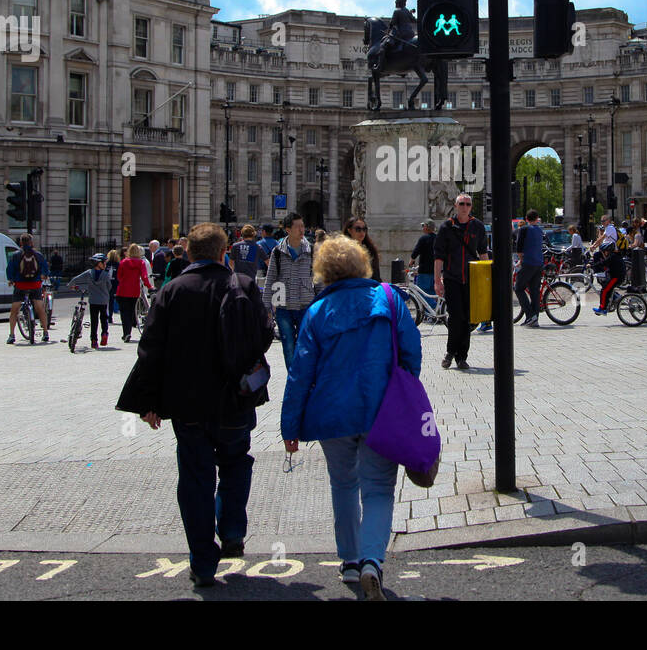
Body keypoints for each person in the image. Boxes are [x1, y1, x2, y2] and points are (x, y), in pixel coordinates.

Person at [117, 222, 274, 587]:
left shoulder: (171, 290)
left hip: (187, 404)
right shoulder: (245, 286)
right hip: (236, 397)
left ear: (187, 253)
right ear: (225, 253)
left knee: (195, 478)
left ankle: (203, 563)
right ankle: (232, 528)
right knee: (237, 461)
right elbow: (265, 335)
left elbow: (150, 350)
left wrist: (150, 400)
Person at [281, 235, 421, 600]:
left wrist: (289, 426)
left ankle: (349, 562)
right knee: (378, 489)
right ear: (364, 264)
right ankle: (373, 559)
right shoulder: (390, 299)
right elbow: (412, 352)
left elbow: (300, 373)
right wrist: (402, 390)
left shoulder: (315, 313)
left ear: (324, 271)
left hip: (332, 415)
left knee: (343, 485)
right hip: (381, 411)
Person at [434, 193, 488, 369]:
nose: (465, 207)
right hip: (452, 278)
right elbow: (439, 257)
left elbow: (483, 254)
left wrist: (486, 280)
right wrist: (437, 281)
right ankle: (451, 352)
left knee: (468, 319)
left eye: (468, 204)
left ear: (471, 207)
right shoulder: (446, 227)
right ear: (455, 206)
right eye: (462, 204)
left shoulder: (478, 227)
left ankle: (461, 356)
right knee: (456, 317)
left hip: (472, 278)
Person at [264, 212, 314, 371]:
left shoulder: (311, 250)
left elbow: (318, 279)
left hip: (305, 305)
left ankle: (302, 378)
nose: (302, 230)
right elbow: (270, 278)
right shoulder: (277, 252)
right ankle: (293, 379)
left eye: (303, 226)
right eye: (297, 227)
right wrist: (266, 307)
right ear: (288, 229)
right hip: (283, 307)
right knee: (288, 347)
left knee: (305, 345)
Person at [6, 234, 50, 343]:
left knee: (14, 311)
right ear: (31, 242)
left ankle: (11, 335)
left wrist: (11, 280)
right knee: (40, 309)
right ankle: (45, 332)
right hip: (35, 285)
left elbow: (10, 269)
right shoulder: (38, 255)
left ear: (21, 243)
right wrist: (43, 276)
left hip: (20, 285)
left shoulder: (16, 255)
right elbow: (45, 268)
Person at [68, 253, 112, 348]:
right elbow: (109, 286)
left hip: (93, 300)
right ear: (98, 263)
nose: (105, 264)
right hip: (103, 300)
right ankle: (104, 333)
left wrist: (70, 285)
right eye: (104, 263)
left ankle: (93, 340)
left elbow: (77, 278)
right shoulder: (105, 274)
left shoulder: (89, 273)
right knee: (104, 319)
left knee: (94, 320)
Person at [116, 243, 154, 343]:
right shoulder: (141, 263)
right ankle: (129, 331)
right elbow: (144, 277)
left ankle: (126, 333)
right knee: (132, 311)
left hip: (123, 290)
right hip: (134, 290)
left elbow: (119, 276)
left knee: (124, 313)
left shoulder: (123, 262)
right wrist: (150, 286)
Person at [513, 210, 545, 326]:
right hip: (539, 263)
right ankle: (534, 317)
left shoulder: (524, 229)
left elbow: (519, 247)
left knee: (518, 288)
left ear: (526, 218)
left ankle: (530, 315)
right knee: (534, 291)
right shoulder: (540, 231)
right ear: (537, 218)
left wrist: (520, 261)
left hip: (528, 262)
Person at [592, 213, 625, 315]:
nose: (602, 223)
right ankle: (614, 297)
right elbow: (601, 238)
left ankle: (603, 308)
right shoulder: (608, 229)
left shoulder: (610, 228)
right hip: (613, 267)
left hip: (617, 275)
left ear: (608, 221)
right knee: (605, 283)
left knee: (605, 290)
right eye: (601, 221)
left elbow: (602, 239)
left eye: (604, 220)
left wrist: (593, 246)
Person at [410, 220, 438, 306]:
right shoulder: (438, 238)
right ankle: (432, 315)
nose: (422, 228)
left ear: (427, 227)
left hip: (424, 271)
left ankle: (432, 308)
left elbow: (416, 252)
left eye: (423, 226)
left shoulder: (424, 238)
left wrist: (412, 260)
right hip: (435, 271)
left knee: (422, 293)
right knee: (432, 293)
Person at [106, 248, 121, 315]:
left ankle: (107, 314)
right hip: (115, 284)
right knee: (112, 300)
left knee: (107, 300)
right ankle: (110, 316)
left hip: (107, 283)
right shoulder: (118, 264)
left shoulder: (106, 264)